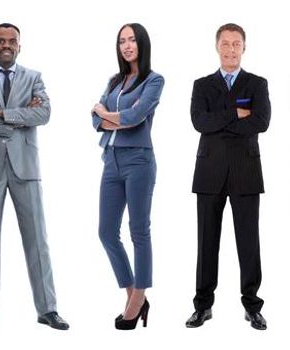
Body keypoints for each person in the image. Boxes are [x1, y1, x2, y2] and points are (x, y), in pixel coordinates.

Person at [0, 22, 66, 330]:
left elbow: (44, 114)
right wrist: (17, 118)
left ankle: (47, 309)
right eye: (0, 41)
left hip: (26, 167)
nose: (6, 45)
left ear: (19, 46)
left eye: (11, 41)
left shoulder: (34, 77)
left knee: (37, 239)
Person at [186, 23, 272, 331]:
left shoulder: (256, 83)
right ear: (217, 46)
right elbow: (199, 122)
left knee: (249, 243)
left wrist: (219, 122)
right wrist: (236, 114)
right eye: (226, 43)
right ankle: (203, 306)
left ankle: (252, 306)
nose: (231, 49)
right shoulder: (202, 85)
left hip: (246, 171)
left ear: (244, 48)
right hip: (209, 171)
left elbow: (261, 122)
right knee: (206, 242)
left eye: (237, 44)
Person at [93, 22, 162, 331]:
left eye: (132, 40)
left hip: (139, 160)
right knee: (106, 232)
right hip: (111, 159)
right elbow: (93, 119)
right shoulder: (115, 80)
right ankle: (132, 290)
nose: (127, 45)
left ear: (142, 44)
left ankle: (138, 299)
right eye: (122, 41)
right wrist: (110, 117)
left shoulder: (154, 80)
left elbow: (136, 117)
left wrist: (105, 113)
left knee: (139, 231)